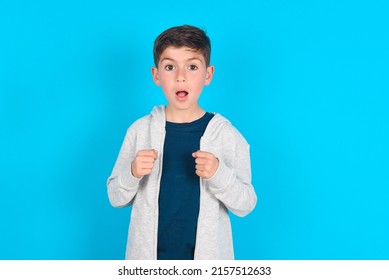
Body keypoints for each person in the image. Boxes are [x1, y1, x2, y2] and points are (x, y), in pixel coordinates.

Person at [107, 25, 257, 260]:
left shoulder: (226, 135)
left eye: (192, 66)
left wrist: (219, 173)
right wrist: (133, 172)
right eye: (169, 67)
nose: (180, 76)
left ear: (208, 74)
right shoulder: (139, 131)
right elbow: (115, 197)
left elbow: (246, 204)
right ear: (156, 75)